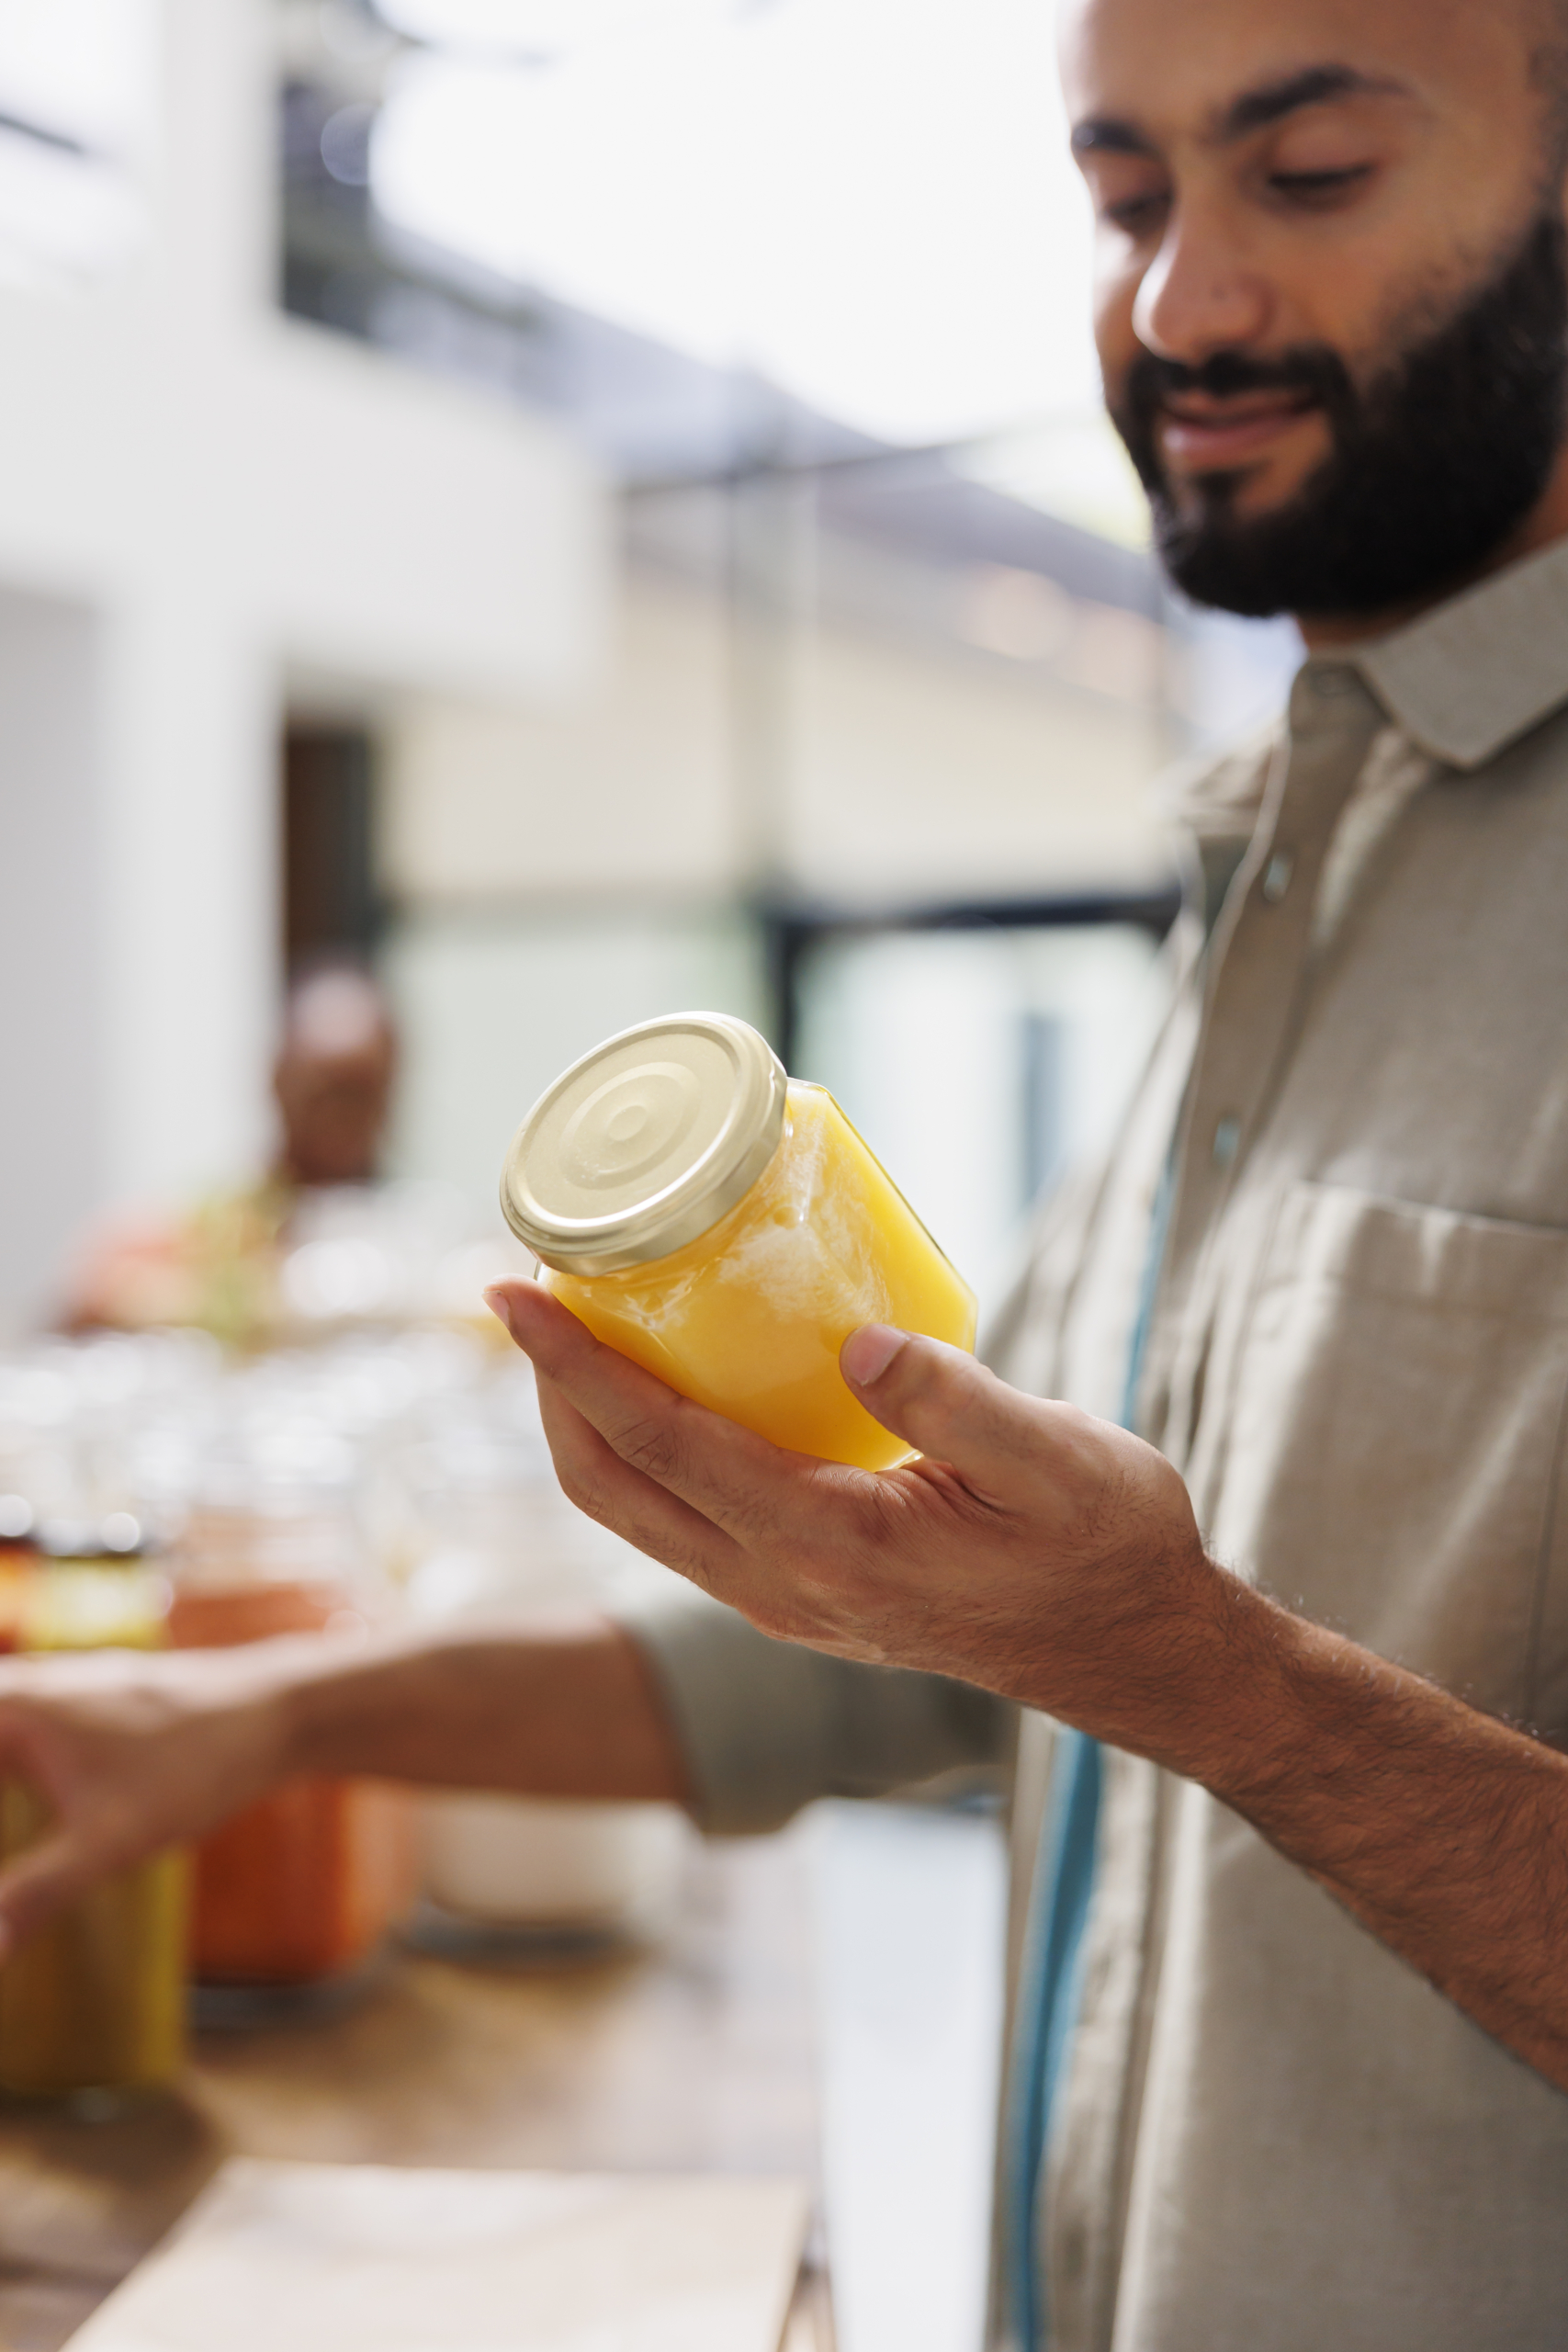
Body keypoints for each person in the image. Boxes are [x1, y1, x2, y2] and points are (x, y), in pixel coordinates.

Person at [8, 0, 1568, 2342]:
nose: (1176, 301)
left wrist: (1211, 1676)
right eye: (1123, 200)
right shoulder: (1286, 862)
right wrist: (280, 1717)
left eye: (1309, 174)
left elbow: (1155, 1663)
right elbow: (922, 1656)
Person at [62, 966, 398, 1341]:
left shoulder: (405, 1245)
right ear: (277, 1080)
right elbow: (87, 1307)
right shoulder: (193, 1234)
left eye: (360, 1096)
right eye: (322, 1093)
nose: (339, 1119)